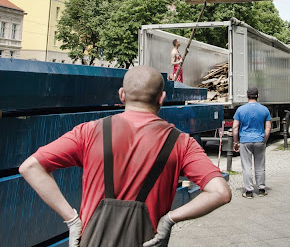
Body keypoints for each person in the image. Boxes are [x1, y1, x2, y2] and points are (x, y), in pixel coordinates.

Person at [19, 66, 231, 247]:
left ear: (122, 94)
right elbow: (220, 193)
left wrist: (72, 220)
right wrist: (169, 219)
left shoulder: (89, 132)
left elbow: (30, 167)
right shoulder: (181, 143)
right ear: (162, 98)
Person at [232, 87, 271, 199]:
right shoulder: (264, 110)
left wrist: (236, 142)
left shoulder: (240, 110)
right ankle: (261, 189)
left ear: (246, 96)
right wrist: (264, 141)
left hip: (245, 140)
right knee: (260, 165)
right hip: (259, 140)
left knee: (247, 166)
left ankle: (249, 191)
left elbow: (235, 127)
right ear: (258, 96)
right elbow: (268, 128)